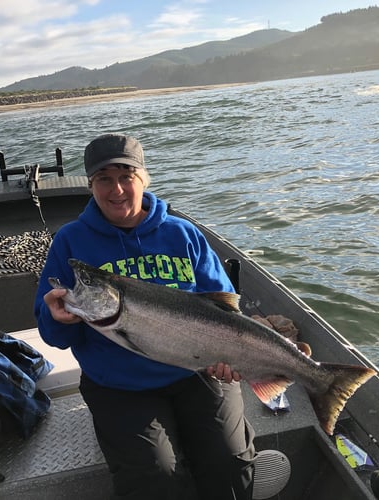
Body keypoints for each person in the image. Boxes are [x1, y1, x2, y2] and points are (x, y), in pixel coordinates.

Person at [35, 133, 257, 499]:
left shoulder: (182, 233)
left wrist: (231, 358)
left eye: (127, 176)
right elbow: (55, 336)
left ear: (144, 179)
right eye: (104, 179)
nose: (117, 189)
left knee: (230, 461)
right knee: (156, 477)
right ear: (90, 184)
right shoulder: (71, 242)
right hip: (119, 386)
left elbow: (224, 308)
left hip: (197, 371)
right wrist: (57, 318)